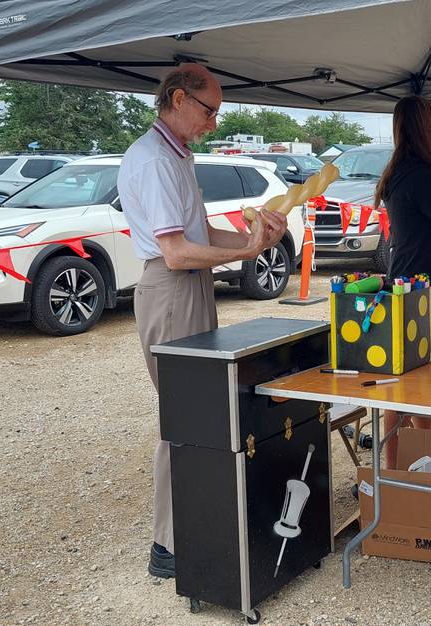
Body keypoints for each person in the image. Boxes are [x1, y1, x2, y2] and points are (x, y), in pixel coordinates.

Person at [117, 64, 288, 578]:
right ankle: (169, 543)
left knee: (200, 411)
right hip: (172, 288)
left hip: (185, 287)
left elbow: (201, 232)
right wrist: (249, 248)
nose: (214, 122)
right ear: (176, 99)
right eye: (209, 110)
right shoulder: (153, 161)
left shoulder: (174, 155)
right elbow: (175, 253)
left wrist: (254, 239)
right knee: (184, 415)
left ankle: (190, 525)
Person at [374, 95, 431, 469]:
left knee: (400, 384)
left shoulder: (397, 171)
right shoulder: (424, 176)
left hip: (404, 279)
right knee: (420, 384)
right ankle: (426, 469)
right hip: (420, 288)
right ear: (424, 127)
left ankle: (394, 469)